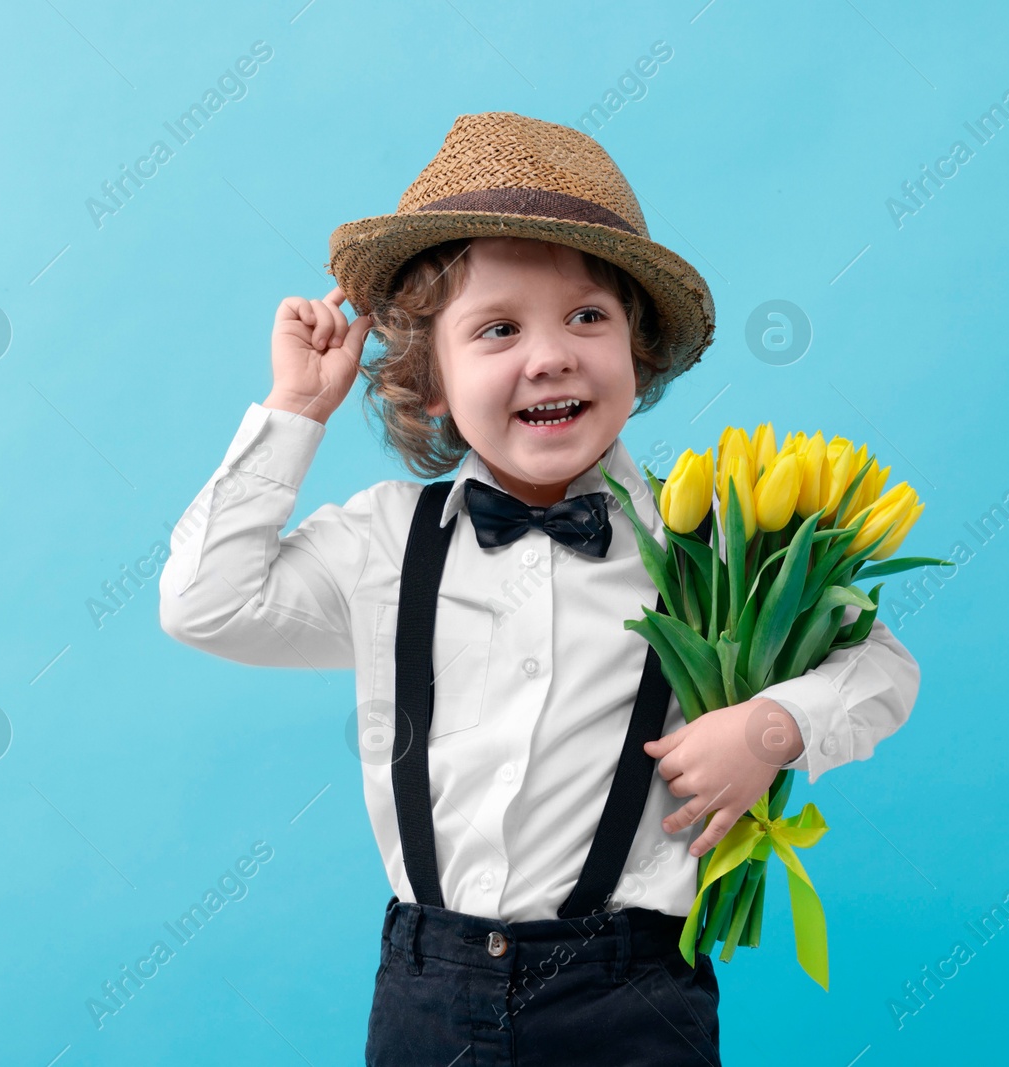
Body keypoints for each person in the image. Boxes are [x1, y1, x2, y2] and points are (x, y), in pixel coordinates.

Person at [158, 111, 920, 1066]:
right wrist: (293, 413)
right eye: (498, 328)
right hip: (429, 992)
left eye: (586, 318)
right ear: (428, 381)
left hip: (633, 996)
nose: (549, 354)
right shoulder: (386, 543)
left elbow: (882, 667)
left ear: (637, 361)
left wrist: (770, 728)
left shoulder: (713, 540)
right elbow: (204, 600)